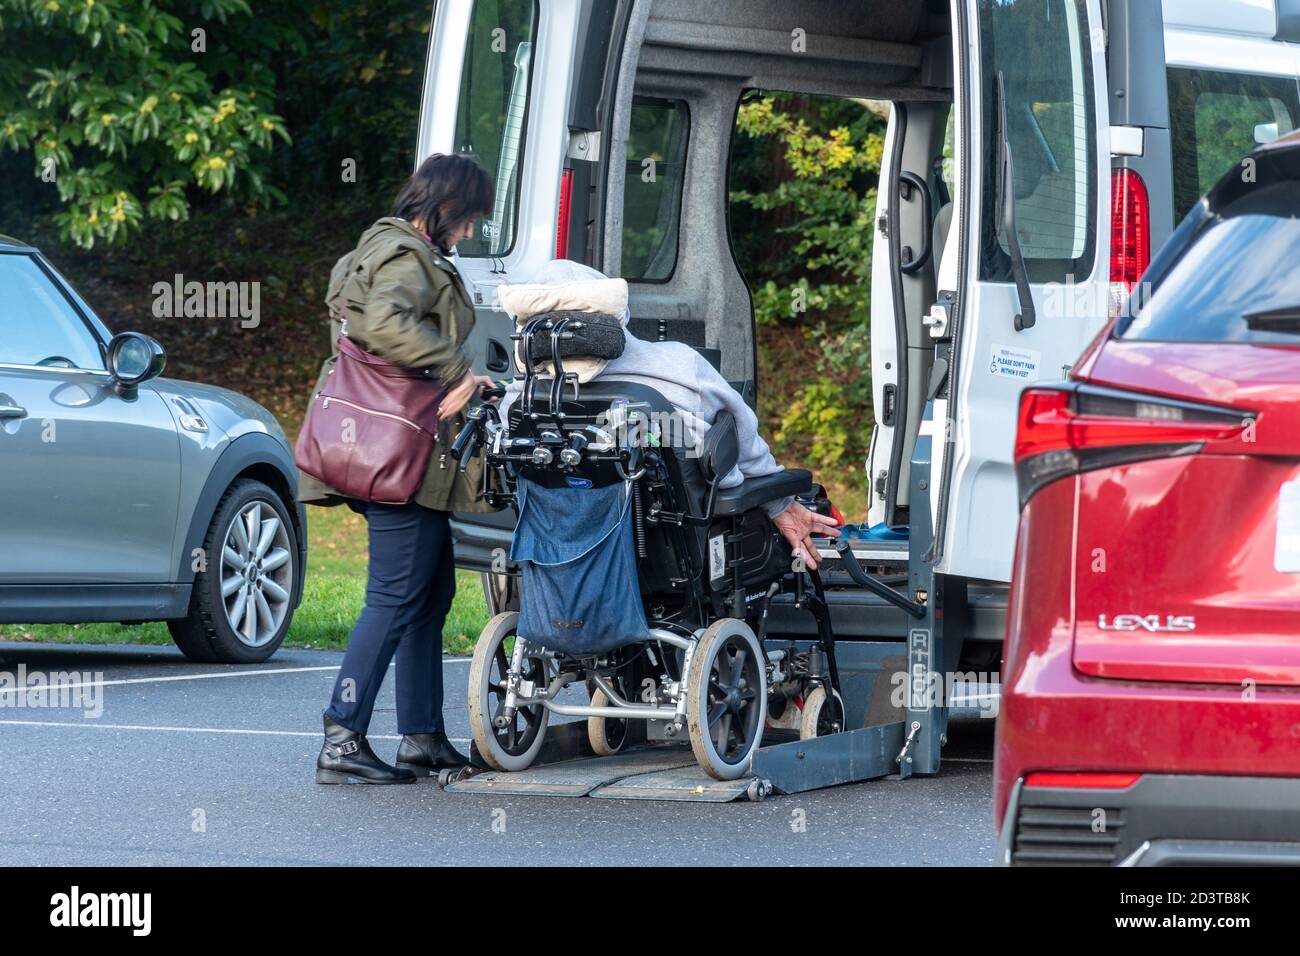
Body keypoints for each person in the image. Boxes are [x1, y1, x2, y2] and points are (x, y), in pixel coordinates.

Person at [300, 153, 496, 785]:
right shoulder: (405, 256)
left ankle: (421, 736)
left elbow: (347, 307)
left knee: (430, 593)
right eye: (465, 219)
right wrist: (456, 370)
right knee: (392, 595)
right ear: (439, 207)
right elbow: (379, 323)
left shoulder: (386, 246)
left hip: (398, 444)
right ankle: (341, 735)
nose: (468, 233)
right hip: (396, 451)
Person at [498, 260, 840, 569]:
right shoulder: (678, 365)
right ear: (617, 315)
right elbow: (743, 438)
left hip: (564, 550)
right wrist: (781, 504)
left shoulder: (522, 398)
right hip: (672, 551)